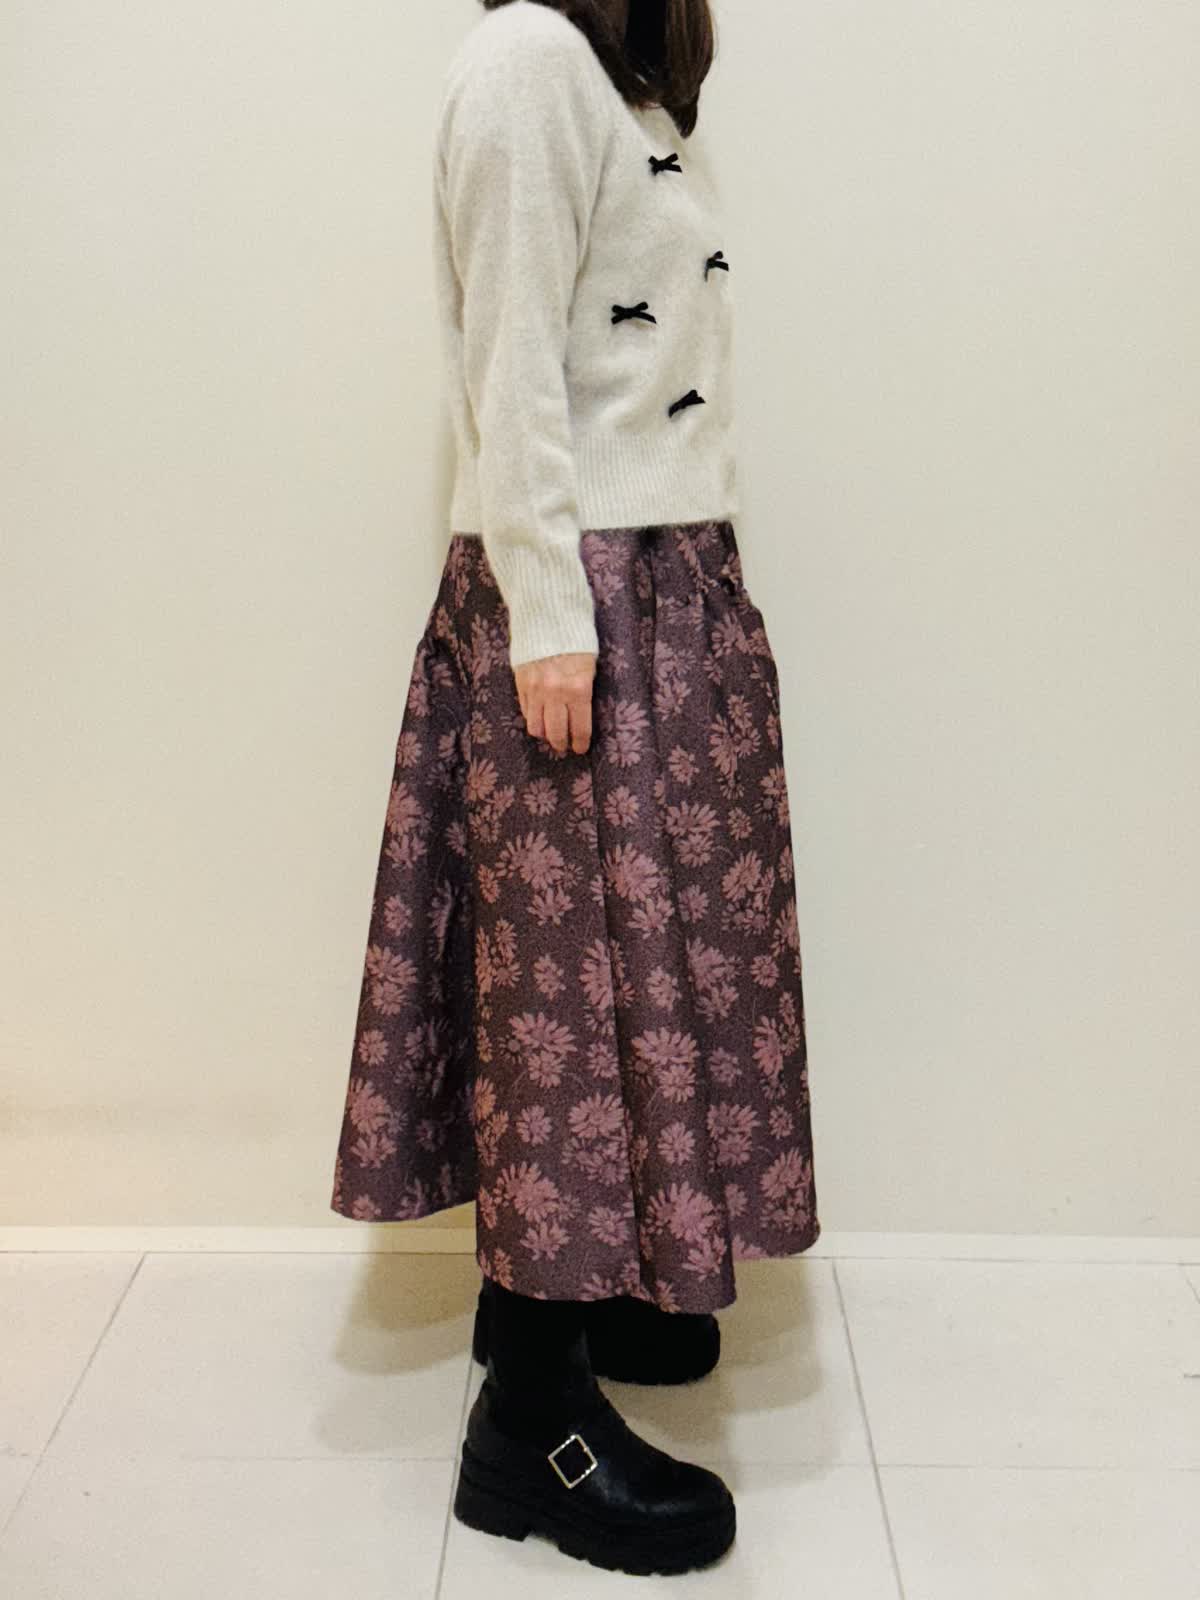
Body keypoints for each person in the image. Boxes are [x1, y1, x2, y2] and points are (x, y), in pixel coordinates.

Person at [330, 0, 820, 1575]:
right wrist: (550, 609)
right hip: (588, 596)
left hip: (658, 579)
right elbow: (511, 352)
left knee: (642, 970)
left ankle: (593, 1289)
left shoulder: (620, 82)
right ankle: (526, 1426)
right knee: (565, 994)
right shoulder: (530, 61)